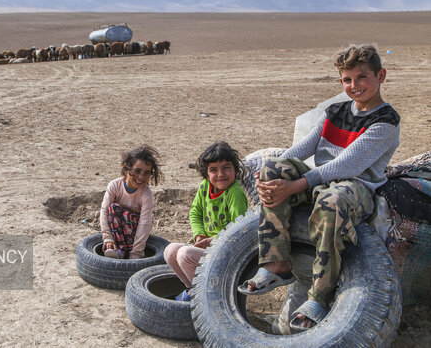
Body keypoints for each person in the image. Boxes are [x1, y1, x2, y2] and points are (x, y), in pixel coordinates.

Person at [238, 44, 400, 332]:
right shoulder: (335, 111)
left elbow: (347, 165)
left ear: (381, 75)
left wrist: (296, 185)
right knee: (273, 167)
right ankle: (276, 264)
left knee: (332, 201)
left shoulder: (386, 121)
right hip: (319, 179)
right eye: (347, 80)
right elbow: (302, 149)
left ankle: (320, 296)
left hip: (356, 187)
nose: (355, 85)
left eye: (362, 77)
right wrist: (270, 176)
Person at [164, 141, 248, 301]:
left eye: (226, 168)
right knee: (170, 251)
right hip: (209, 249)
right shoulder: (204, 187)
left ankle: (204, 295)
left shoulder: (234, 193)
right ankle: (193, 289)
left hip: (227, 252)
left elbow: (238, 230)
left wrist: (212, 240)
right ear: (206, 174)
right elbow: (195, 212)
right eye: (214, 170)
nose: (221, 174)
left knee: (185, 254)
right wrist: (200, 236)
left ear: (235, 170)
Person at [100, 145, 163, 259]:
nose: (140, 177)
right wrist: (107, 238)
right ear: (127, 169)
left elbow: (145, 223)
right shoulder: (115, 186)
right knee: (113, 208)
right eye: (137, 171)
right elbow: (104, 211)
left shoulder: (146, 194)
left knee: (128, 215)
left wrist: (136, 253)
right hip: (117, 231)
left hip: (134, 233)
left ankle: (128, 252)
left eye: (146, 173)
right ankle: (117, 250)